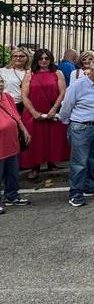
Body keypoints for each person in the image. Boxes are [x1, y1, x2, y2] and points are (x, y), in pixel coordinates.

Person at [58, 59, 94, 207]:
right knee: (79, 162)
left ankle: (91, 186)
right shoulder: (77, 86)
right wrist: (66, 123)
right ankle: (75, 193)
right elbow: (66, 107)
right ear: (92, 70)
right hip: (81, 127)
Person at [20, 49, 69, 181]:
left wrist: (54, 109)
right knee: (35, 140)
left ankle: (51, 163)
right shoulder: (29, 74)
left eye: (46, 58)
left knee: (52, 138)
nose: (43, 61)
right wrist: (34, 112)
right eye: (40, 58)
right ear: (36, 60)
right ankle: (34, 167)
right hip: (33, 112)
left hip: (52, 110)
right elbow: (24, 95)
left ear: (50, 59)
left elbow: (63, 92)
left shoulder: (57, 73)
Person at [0, 76, 32, 213]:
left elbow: (16, 116)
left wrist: (24, 131)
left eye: (1, 81)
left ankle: (12, 196)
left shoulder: (6, 97)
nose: (0, 85)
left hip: (12, 142)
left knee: (12, 172)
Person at [0, 48, 31, 114]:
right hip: (7, 104)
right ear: (11, 58)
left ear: (27, 58)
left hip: (26, 106)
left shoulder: (31, 72)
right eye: (15, 56)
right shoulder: (3, 71)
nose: (18, 58)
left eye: (21, 56)